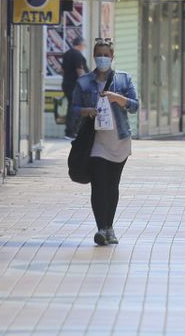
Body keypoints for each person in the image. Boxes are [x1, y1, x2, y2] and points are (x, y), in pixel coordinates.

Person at [72, 39, 139, 245]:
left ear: (112, 57)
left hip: (119, 140)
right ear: (94, 56)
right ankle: (101, 228)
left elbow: (135, 106)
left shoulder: (124, 80)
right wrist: (86, 111)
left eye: (106, 55)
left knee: (112, 185)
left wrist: (118, 98)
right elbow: (73, 110)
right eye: (99, 54)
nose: (103, 58)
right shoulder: (84, 83)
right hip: (96, 141)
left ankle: (109, 227)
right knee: (99, 184)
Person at [60, 35, 88, 139]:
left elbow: (61, 71)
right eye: (84, 45)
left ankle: (71, 132)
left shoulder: (67, 54)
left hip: (67, 84)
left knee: (72, 107)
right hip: (76, 86)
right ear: (80, 45)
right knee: (76, 108)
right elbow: (80, 71)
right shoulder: (77, 55)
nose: (84, 47)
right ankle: (71, 132)